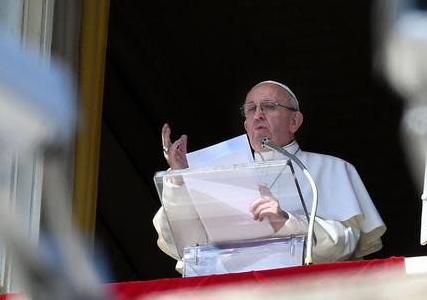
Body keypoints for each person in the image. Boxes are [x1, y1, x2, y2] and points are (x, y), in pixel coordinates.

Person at [153, 80, 386, 273]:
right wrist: (179, 178)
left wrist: (284, 221)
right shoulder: (218, 172)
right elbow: (181, 244)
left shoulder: (331, 168)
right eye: (251, 109)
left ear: (294, 121)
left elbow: (345, 244)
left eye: (269, 106)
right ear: (246, 123)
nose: (258, 116)